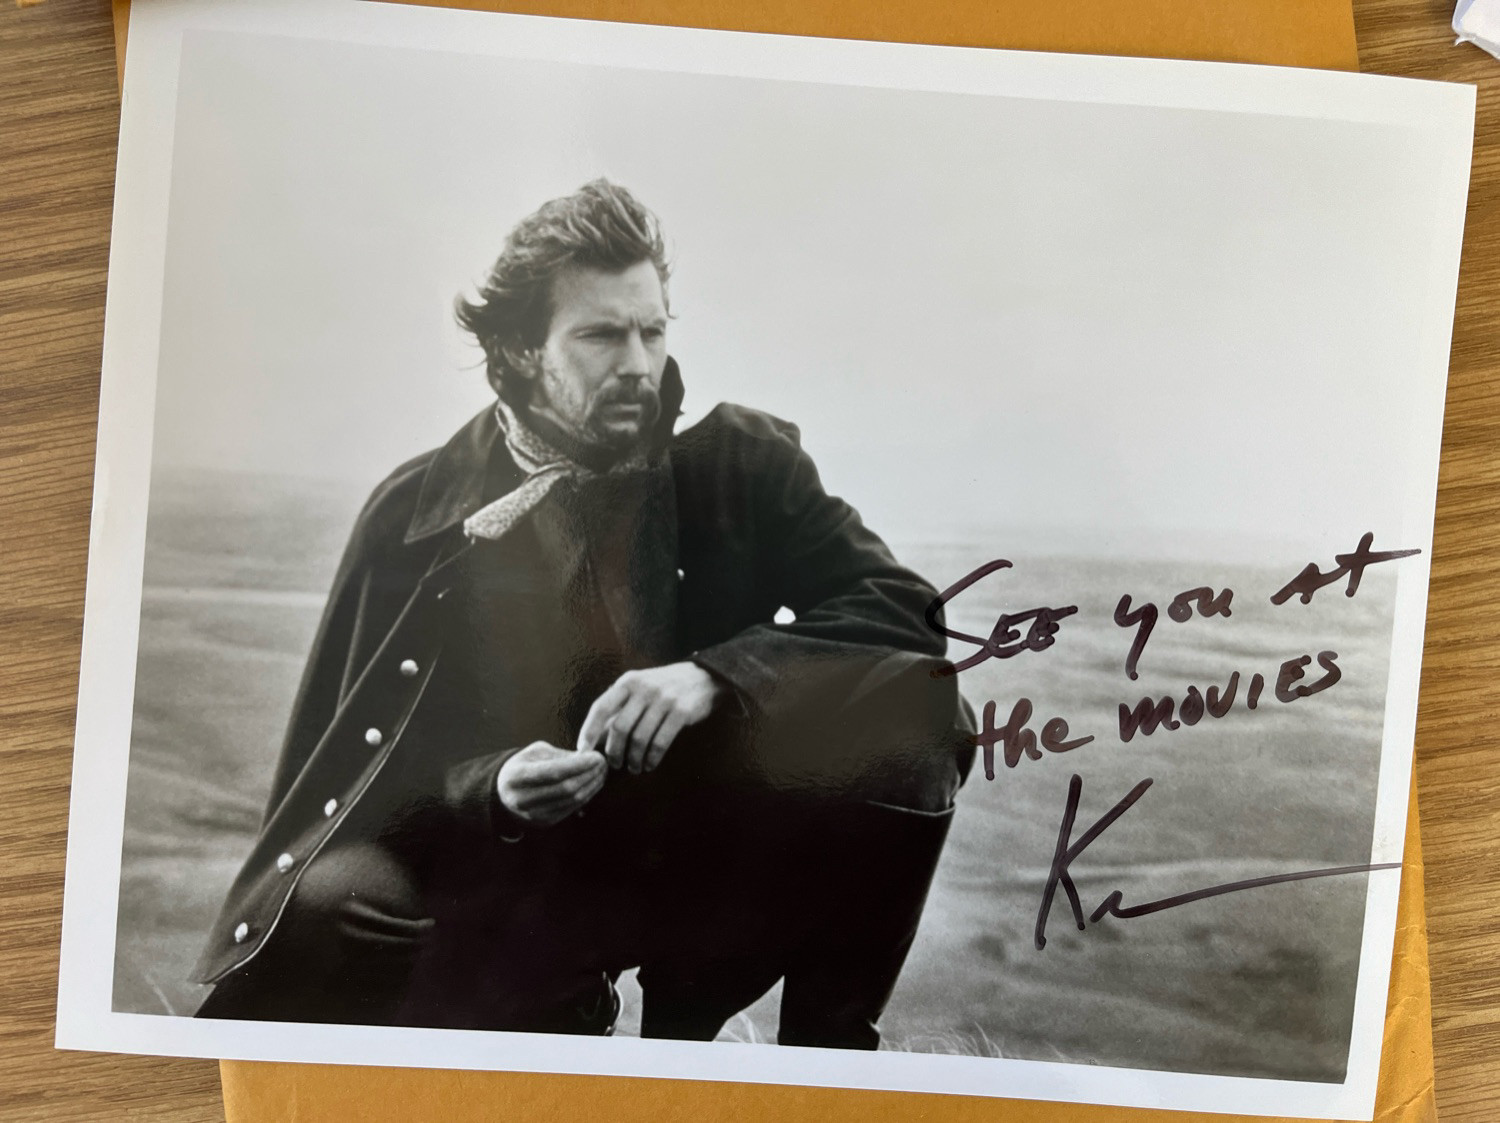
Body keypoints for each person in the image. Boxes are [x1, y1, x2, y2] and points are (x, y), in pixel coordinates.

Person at [193, 179, 973, 1046]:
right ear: (522, 349)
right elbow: (375, 785)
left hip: (710, 860)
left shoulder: (742, 469)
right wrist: (495, 785)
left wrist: (720, 675)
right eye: (602, 335)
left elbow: (907, 612)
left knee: (924, 708)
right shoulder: (419, 512)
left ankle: (821, 1070)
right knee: (339, 895)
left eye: (653, 329)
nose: (638, 362)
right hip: (516, 886)